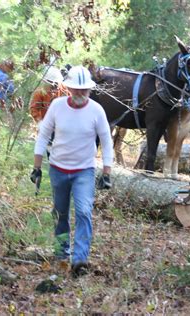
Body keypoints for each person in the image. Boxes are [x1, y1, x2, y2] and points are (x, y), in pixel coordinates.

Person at [30, 65, 113, 277]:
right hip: (58, 168)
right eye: (76, 89)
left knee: (84, 211)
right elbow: (43, 135)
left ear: (89, 90)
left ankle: (80, 259)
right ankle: (61, 255)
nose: (80, 93)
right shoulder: (57, 107)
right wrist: (37, 166)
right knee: (60, 214)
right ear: (69, 88)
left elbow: (106, 140)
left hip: (84, 170)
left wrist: (107, 171)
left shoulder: (96, 110)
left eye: (84, 90)